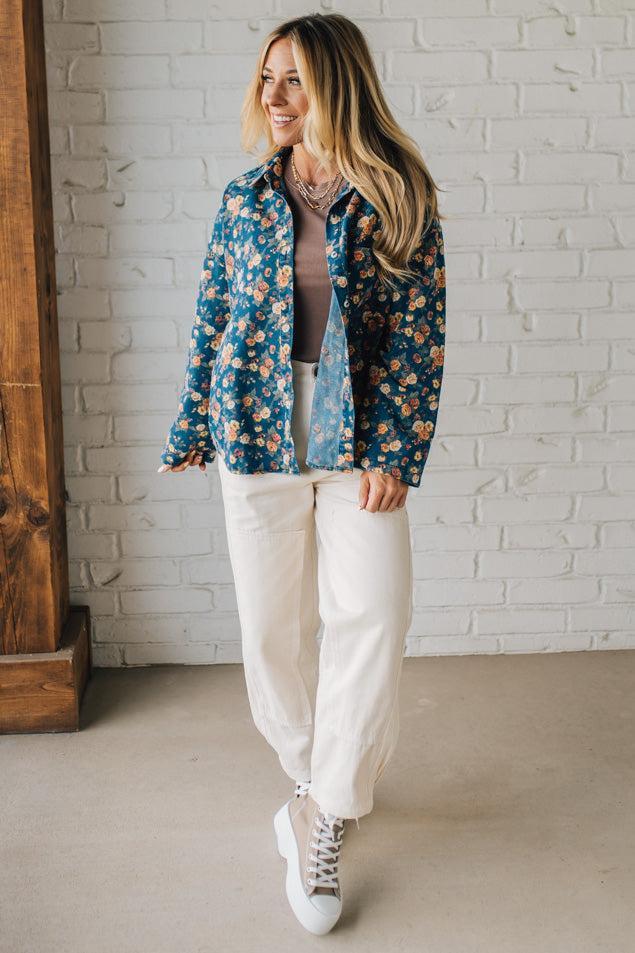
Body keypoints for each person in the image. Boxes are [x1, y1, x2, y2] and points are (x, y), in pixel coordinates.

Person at [158, 12, 446, 936]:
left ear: (338, 88)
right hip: (253, 431)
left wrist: (398, 448)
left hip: (357, 436)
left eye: (295, 81)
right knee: (272, 631)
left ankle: (325, 813)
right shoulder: (245, 198)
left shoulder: (398, 194)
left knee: (373, 612)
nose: (273, 98)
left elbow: (419, 330)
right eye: (267, 79)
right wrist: (191, 418)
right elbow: (214, 313)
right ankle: (308, 786)